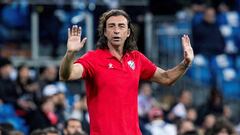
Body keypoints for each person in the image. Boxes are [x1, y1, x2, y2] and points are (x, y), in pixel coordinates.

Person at [59, 9, 194, 135]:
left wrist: (186, 63)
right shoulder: (93, 58)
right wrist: (70, 53)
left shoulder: (136, 58)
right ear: (105, 32)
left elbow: (166, 78)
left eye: (121, 26)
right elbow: (66, 74)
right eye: (111, 26)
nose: (116, 30)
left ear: (128, 32)